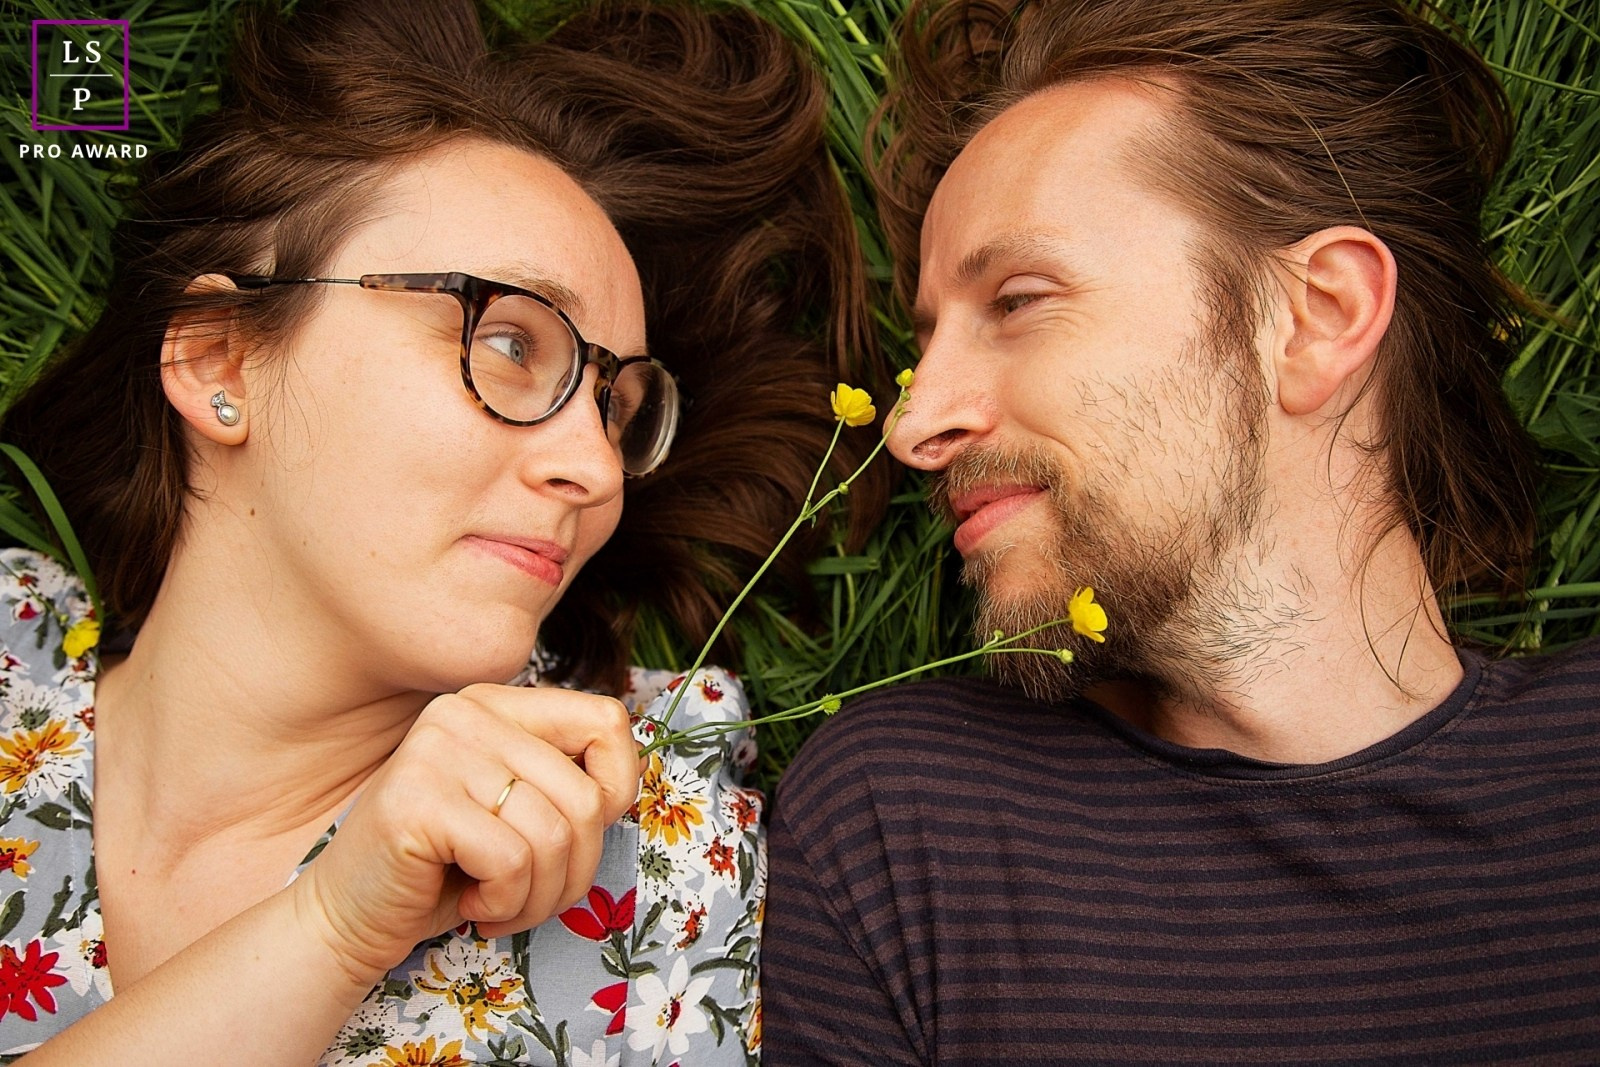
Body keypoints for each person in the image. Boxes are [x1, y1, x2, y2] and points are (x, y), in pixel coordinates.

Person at [0, 0, 883, 1063]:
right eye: (509, 340)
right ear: (219, 360)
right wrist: (326, 929)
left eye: (614, 405)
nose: (598, 468)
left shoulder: (638, 849)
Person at [763, 0, 1600, 1061]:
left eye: (1016, 301)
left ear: (1317, 316)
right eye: (925, 344)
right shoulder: (907, 824)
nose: (916, 424)